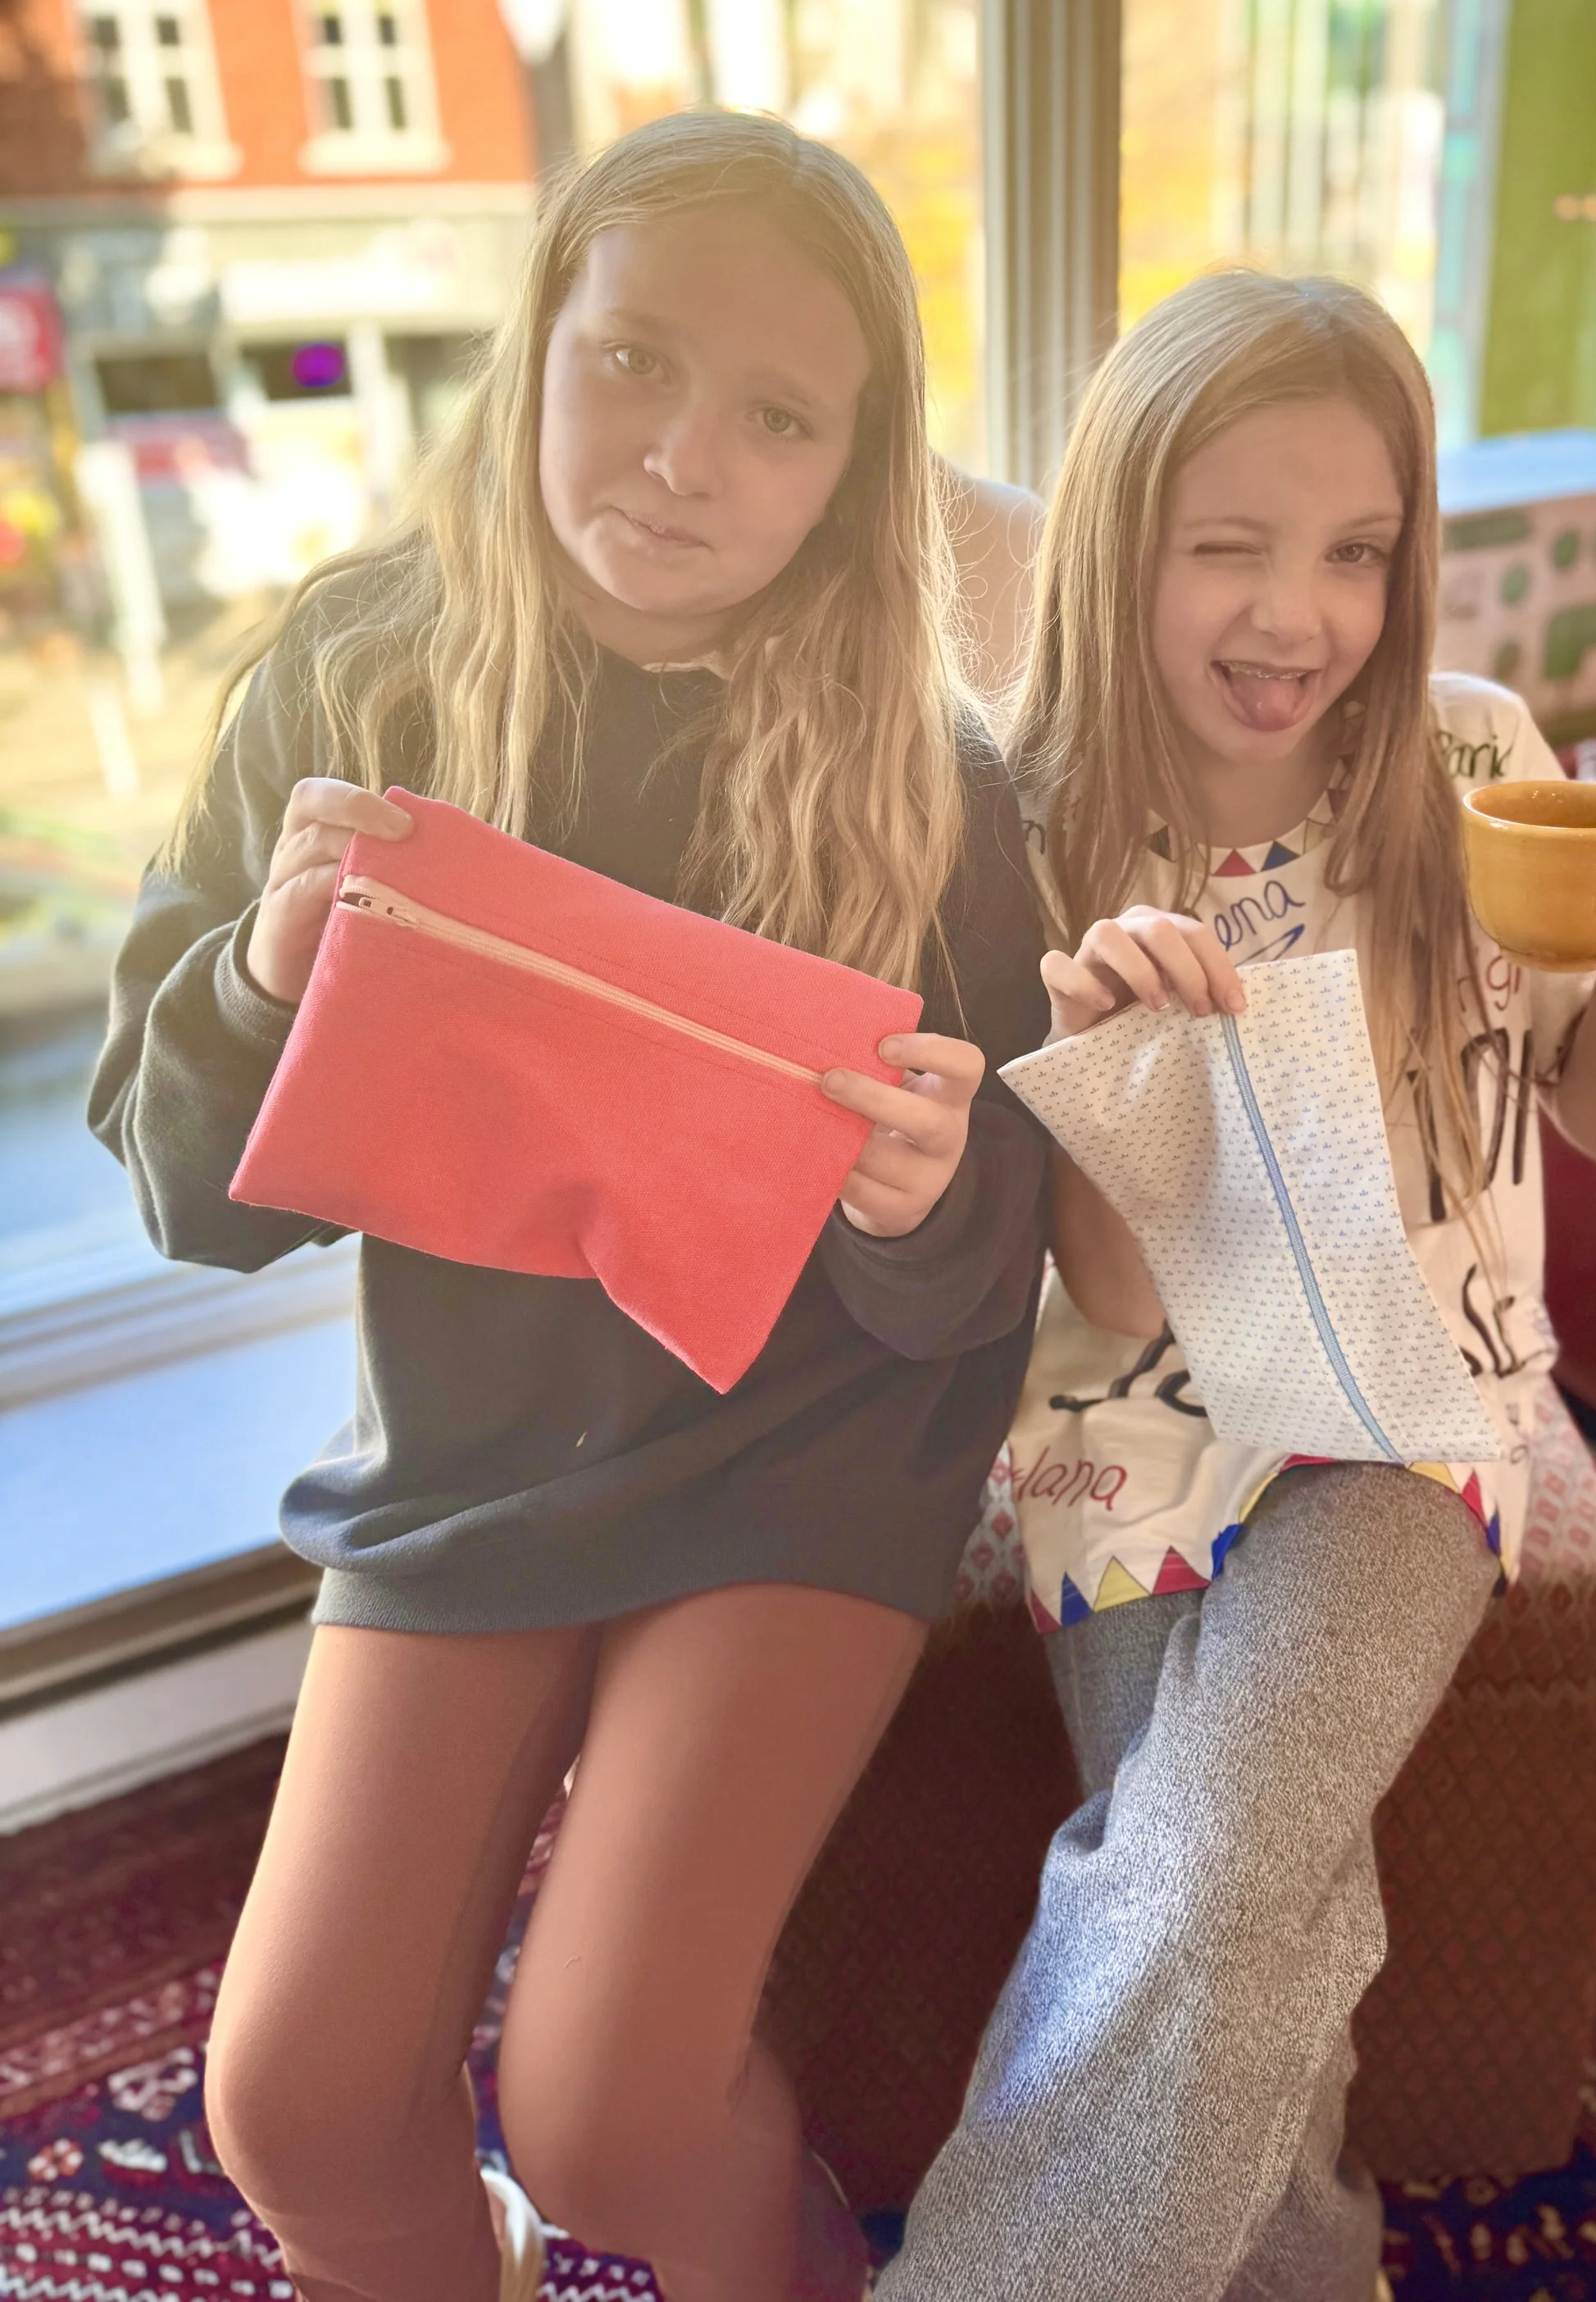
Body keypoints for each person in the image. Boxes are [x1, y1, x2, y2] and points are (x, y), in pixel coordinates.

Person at [90, 111, 1049, 2302]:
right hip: (473, 1460)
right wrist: (256, 975)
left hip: (801, 1459)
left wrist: (919, 1192)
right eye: (628, 362)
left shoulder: (932, 773)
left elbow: (990, 1258)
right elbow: (182, 1185)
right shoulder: (355, 685)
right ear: (534, 343)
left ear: (849, 468)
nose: (681, 460)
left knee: (613, 2102)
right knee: (300, 2106)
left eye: (775, 416)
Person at [878, 271, 1596, 2302]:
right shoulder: (1025, 820)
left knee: (1190, 1872)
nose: (1298, 616)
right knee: (1261, 1910)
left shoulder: (1470, 763)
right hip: (1124, 1441)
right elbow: (1111, 1280)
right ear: (1119, 545)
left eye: (1354, 552)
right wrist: (1122, 1063)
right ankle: (1312, 2272)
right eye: (1228, 550)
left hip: (1401, 1412)